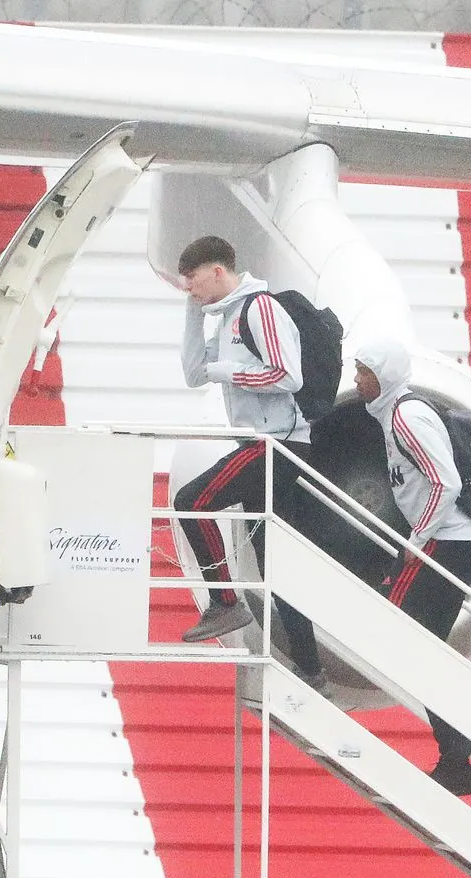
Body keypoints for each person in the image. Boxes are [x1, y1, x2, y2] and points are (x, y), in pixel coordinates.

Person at [169, 236, 325, 693]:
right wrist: (193, 314)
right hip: (262, 442)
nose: (189, 289)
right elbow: (193, 373)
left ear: (218, 271)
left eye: (193, 281)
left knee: (191, 500)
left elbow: (286, 375)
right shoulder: (228, 317)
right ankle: (312, 669)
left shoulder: (259, 309)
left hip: (279, 443)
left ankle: (224, 600)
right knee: (273, 563)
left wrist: (228, 372)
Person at [356, 334, 471, 797]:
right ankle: (457, 757)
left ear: (385, 375)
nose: (357, 380)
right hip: (451, 540)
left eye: (364, 372)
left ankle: (461, 738)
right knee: (422, 646)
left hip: (446, 539)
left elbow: (444, 482)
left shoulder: (405, 416)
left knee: (393, 627)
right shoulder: (393, 415)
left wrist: (414, 543)